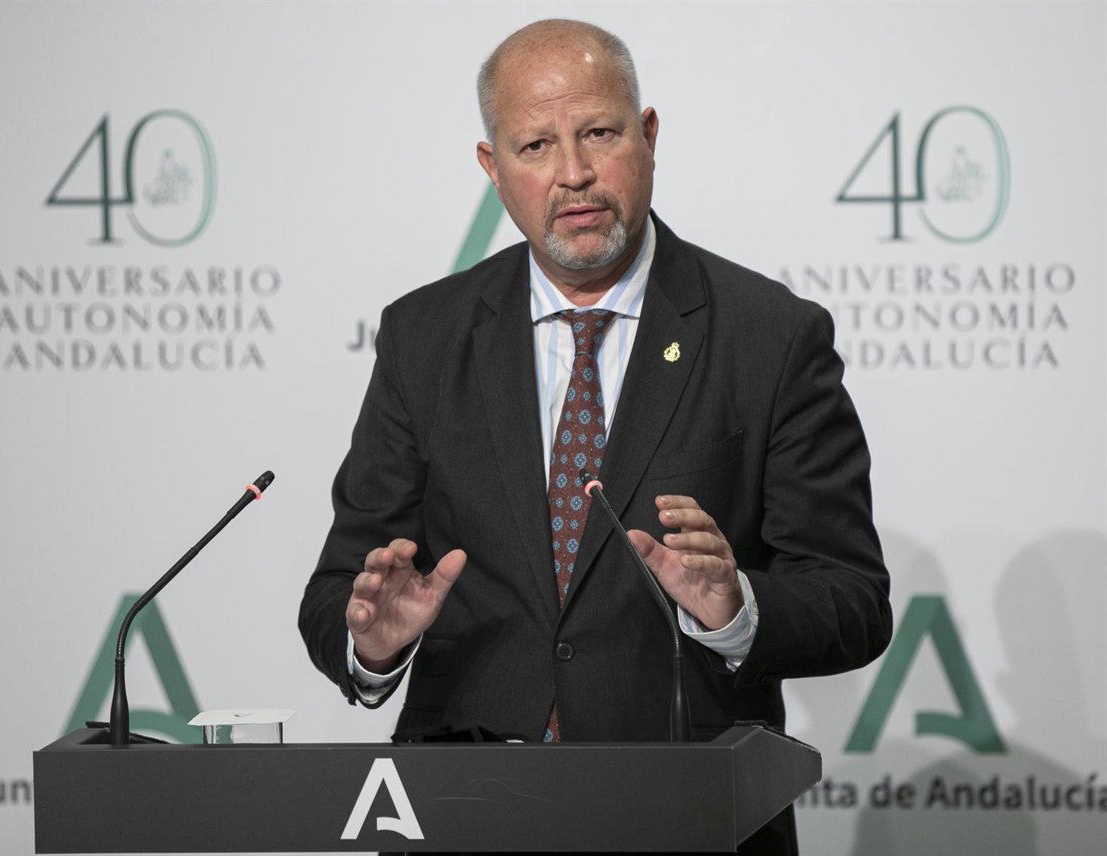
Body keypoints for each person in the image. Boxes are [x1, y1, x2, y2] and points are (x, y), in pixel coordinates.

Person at [300, 18, 891, 854]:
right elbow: (339, 591)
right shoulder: (423, 337)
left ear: (648, 136)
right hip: (464, 810)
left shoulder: (770, 336)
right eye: (535, 145)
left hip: (689, 814)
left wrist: (737, 611)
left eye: (600, 134)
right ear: (492, 167)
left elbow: (852, 598)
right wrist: (371, 643)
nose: (573, 173)